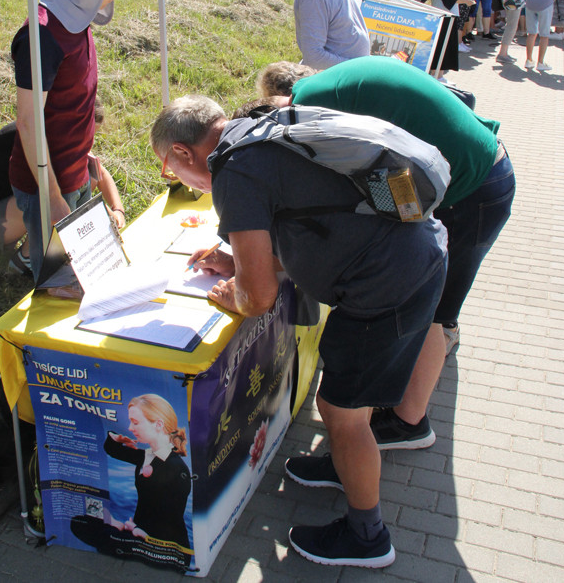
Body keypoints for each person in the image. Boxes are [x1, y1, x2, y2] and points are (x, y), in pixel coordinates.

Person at [151, 95, 448, 569]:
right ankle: (343, 465)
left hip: (388, 282)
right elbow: (309, 218)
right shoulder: (260, 132)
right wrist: (241, 262)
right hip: (411, 256)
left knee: (341, 410)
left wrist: (238, 292)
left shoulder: (234, 171)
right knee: (347, 407)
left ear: (185, 154)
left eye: (170, 170)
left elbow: (260, 298)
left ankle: (368, 537)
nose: (178, 180)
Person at [256, 56, 515, 427]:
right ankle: (407, 405)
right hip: (484, 173)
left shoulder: (308, 102)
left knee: (431, 313)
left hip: (472, 189)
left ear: (281, 98)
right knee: (433, 311)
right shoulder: (341, 83)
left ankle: (408, 423)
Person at [9, 0, 145, 281]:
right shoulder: (42, 34)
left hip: (75, 170)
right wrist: (53, 198)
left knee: (88, 273)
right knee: (58, 285)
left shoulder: (76, 17)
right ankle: (25, 267)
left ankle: (27, 261)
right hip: (48, 182)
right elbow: (28, 122)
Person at [0, 109, 127, 277]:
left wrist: (118, 209)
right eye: (87, 134)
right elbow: (52, 193)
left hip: (12, 209)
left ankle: (64, 243)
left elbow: (100, 173)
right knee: (59, 190)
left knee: (88, 174)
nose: (88, 142)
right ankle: (26, 258)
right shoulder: (37, 140)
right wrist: (101, 213)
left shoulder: (61, 134)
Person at [71, 393, 191, 564]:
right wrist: (116, 437)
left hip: (164, 547)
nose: (130, 428)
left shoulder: (177, 469)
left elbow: (172, 518)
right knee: (82, 521)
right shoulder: (148, 456)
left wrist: (140, 532)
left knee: (87, 527)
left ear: (158, 424)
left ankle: (119, 536)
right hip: (137, 532)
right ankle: (118, 531)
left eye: (135, 422)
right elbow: (113, 449)